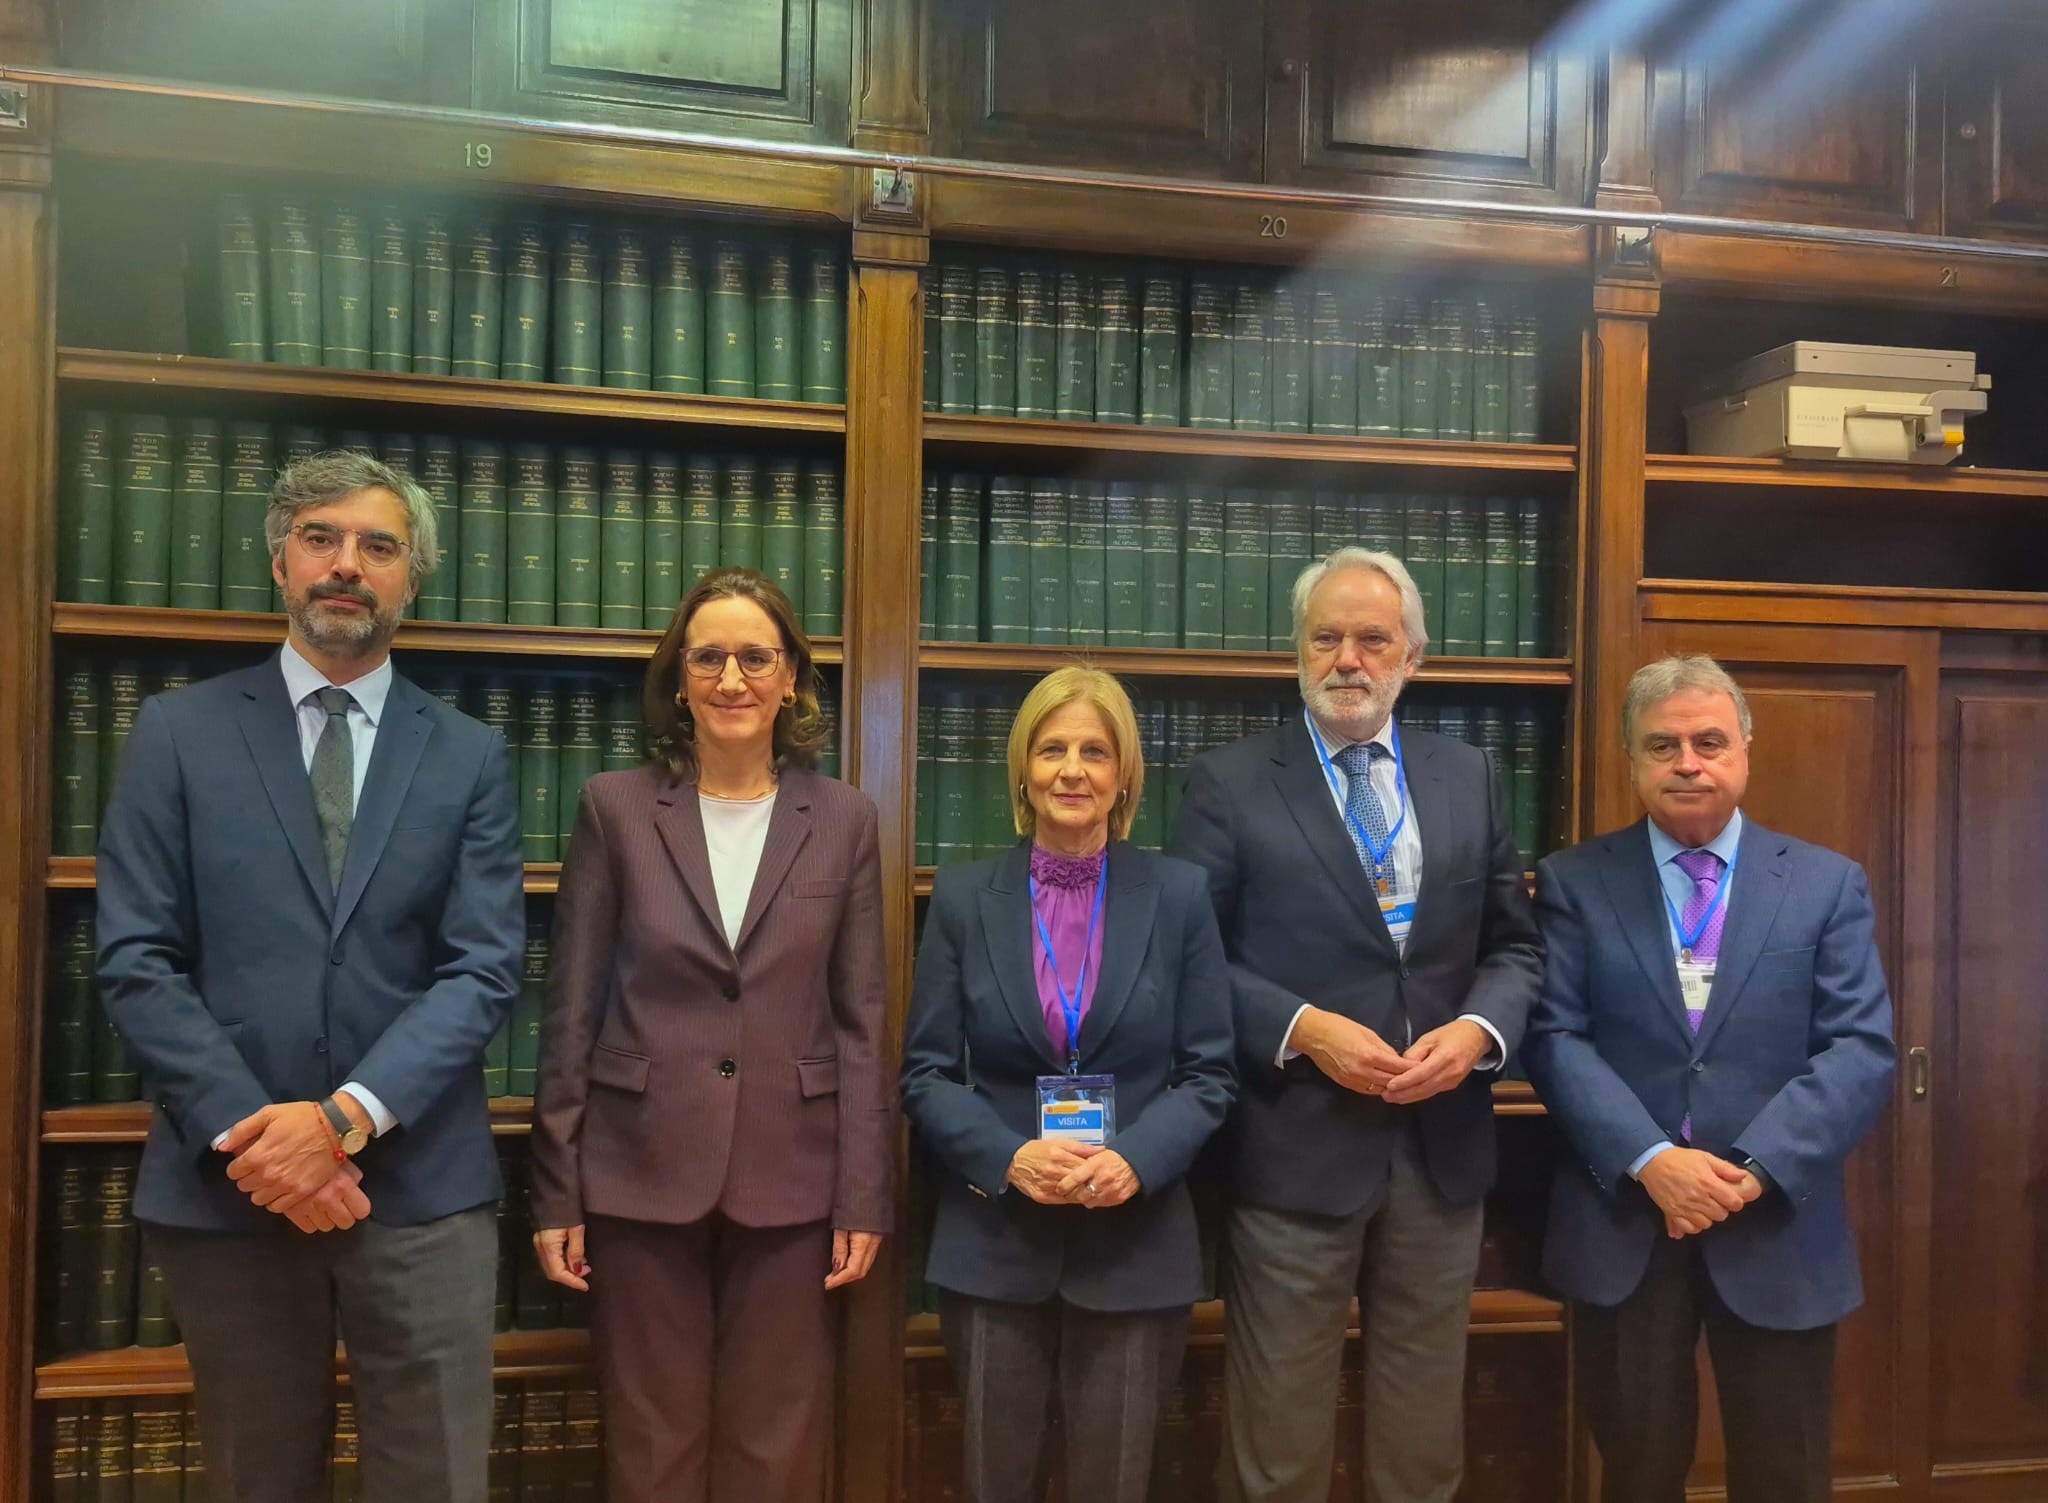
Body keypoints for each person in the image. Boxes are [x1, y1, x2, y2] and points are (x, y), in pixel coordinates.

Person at [94, 450, 525, 1503]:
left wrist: (341, 1121)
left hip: (420, 1193)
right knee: (258, 1480)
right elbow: (137, 957)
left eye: (379, 546)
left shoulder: (469, 754)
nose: (347, 565)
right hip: (230, 1189)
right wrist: (261, 1138)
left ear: (411, 577)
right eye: (320, 538)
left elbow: (482, 968)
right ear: (280, 561)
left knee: (435, 1482)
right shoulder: (176, 733)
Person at [1170, 546, 1543, 1503]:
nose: (1348, 659)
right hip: (1294, 1146)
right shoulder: (1229, 782)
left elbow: (1515, 946)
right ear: (1296, 651)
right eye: (1325, 637)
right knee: (1278, 1447)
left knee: (1422, 1445)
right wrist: (1304, 1027)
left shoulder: (1469, 774)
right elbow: (1191, 957)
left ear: (1413, 656)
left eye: (1373, 639)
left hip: (1440, 1150)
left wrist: (1479, 1032)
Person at [528, 566, 892, 1503]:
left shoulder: (844, 819)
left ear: (792, 679)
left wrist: (863, 1195)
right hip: (639, 1168)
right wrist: (556, 1189)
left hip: (794, 1177)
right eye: (709, 658)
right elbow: (571, 1009)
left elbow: (861, 1022)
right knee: (652, 1442)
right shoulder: (614, 807)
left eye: (756, 658)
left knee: (778, 1444)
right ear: (680, 679)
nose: (733, 679)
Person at [1520, 655, 1894, 1503]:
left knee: (1786, 1475)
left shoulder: (1825, 883)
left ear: (1745, 751)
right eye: (1663, 745)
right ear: (1632, 759)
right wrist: (1653, 1159)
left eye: (1709, 741)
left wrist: (1750, 1170)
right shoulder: (1574, 881)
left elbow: (1859, 1046)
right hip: (1627, 1224)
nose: (1687, 762)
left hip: (1776, 1227)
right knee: (1638, 1472)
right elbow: (1554, 1036)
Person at [901, 665, 1235, 1503]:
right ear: (1023, 770)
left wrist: (1135, 1160)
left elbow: (1209, 1072)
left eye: (1095, 751)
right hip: (994, 1243)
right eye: (1052, 749)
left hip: (1135, 1244)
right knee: (993, 1483)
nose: (1073, 770)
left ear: (1124, 775)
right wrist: (1008, 1155)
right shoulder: (963, 897)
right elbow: (926, 1071)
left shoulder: (1180, 896)